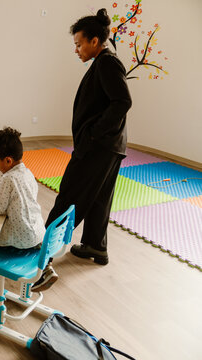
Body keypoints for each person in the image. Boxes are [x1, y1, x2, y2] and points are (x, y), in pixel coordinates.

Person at [46, 9, 132, 265]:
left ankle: (43, 251)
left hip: (99, 146)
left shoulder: (106, 62)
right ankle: (96, 246)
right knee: (98, 197)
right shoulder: (104, 62)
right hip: (109, 146)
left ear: (94, 41)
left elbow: (123, 101)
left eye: (79, 43)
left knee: (69, 195)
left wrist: (94, 135)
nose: (77, 49)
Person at [0, 127, 56, 291]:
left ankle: (26, 270)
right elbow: (15, 196)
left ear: (8, 160)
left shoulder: (8, 178)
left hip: (21, 238)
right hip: (38, 232)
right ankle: (44, 269)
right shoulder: (27, 172)